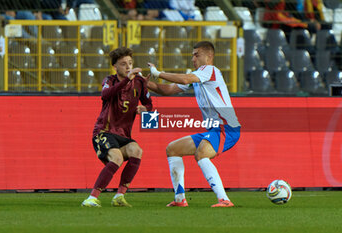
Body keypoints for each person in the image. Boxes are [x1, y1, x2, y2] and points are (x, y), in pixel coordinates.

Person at [147, 41, 241, 207]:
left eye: (196, 54)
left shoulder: (210, 71)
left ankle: (224, 200)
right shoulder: (197, 77)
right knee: (173, 149)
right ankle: (180, 200)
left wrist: (157, 72)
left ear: (209, 56)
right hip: (214, 129)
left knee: (201, 154)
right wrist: (143, 83)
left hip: (227, 128)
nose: (193, 59)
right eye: (192, 55)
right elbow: (167, 90)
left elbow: (184, 78)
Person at [81, 47, 153, 207]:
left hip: (124, 135)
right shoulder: (109, 81)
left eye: (130, 63)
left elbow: (149, 105)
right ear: (115, 67)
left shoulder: (140, 82)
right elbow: (105, 95)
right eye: (123, 64)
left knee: (137, 151)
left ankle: (119, 196)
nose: (128, 67)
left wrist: (145, 109)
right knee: (117, 158)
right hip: (104, 132)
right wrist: (127, 79)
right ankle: (91, 198)